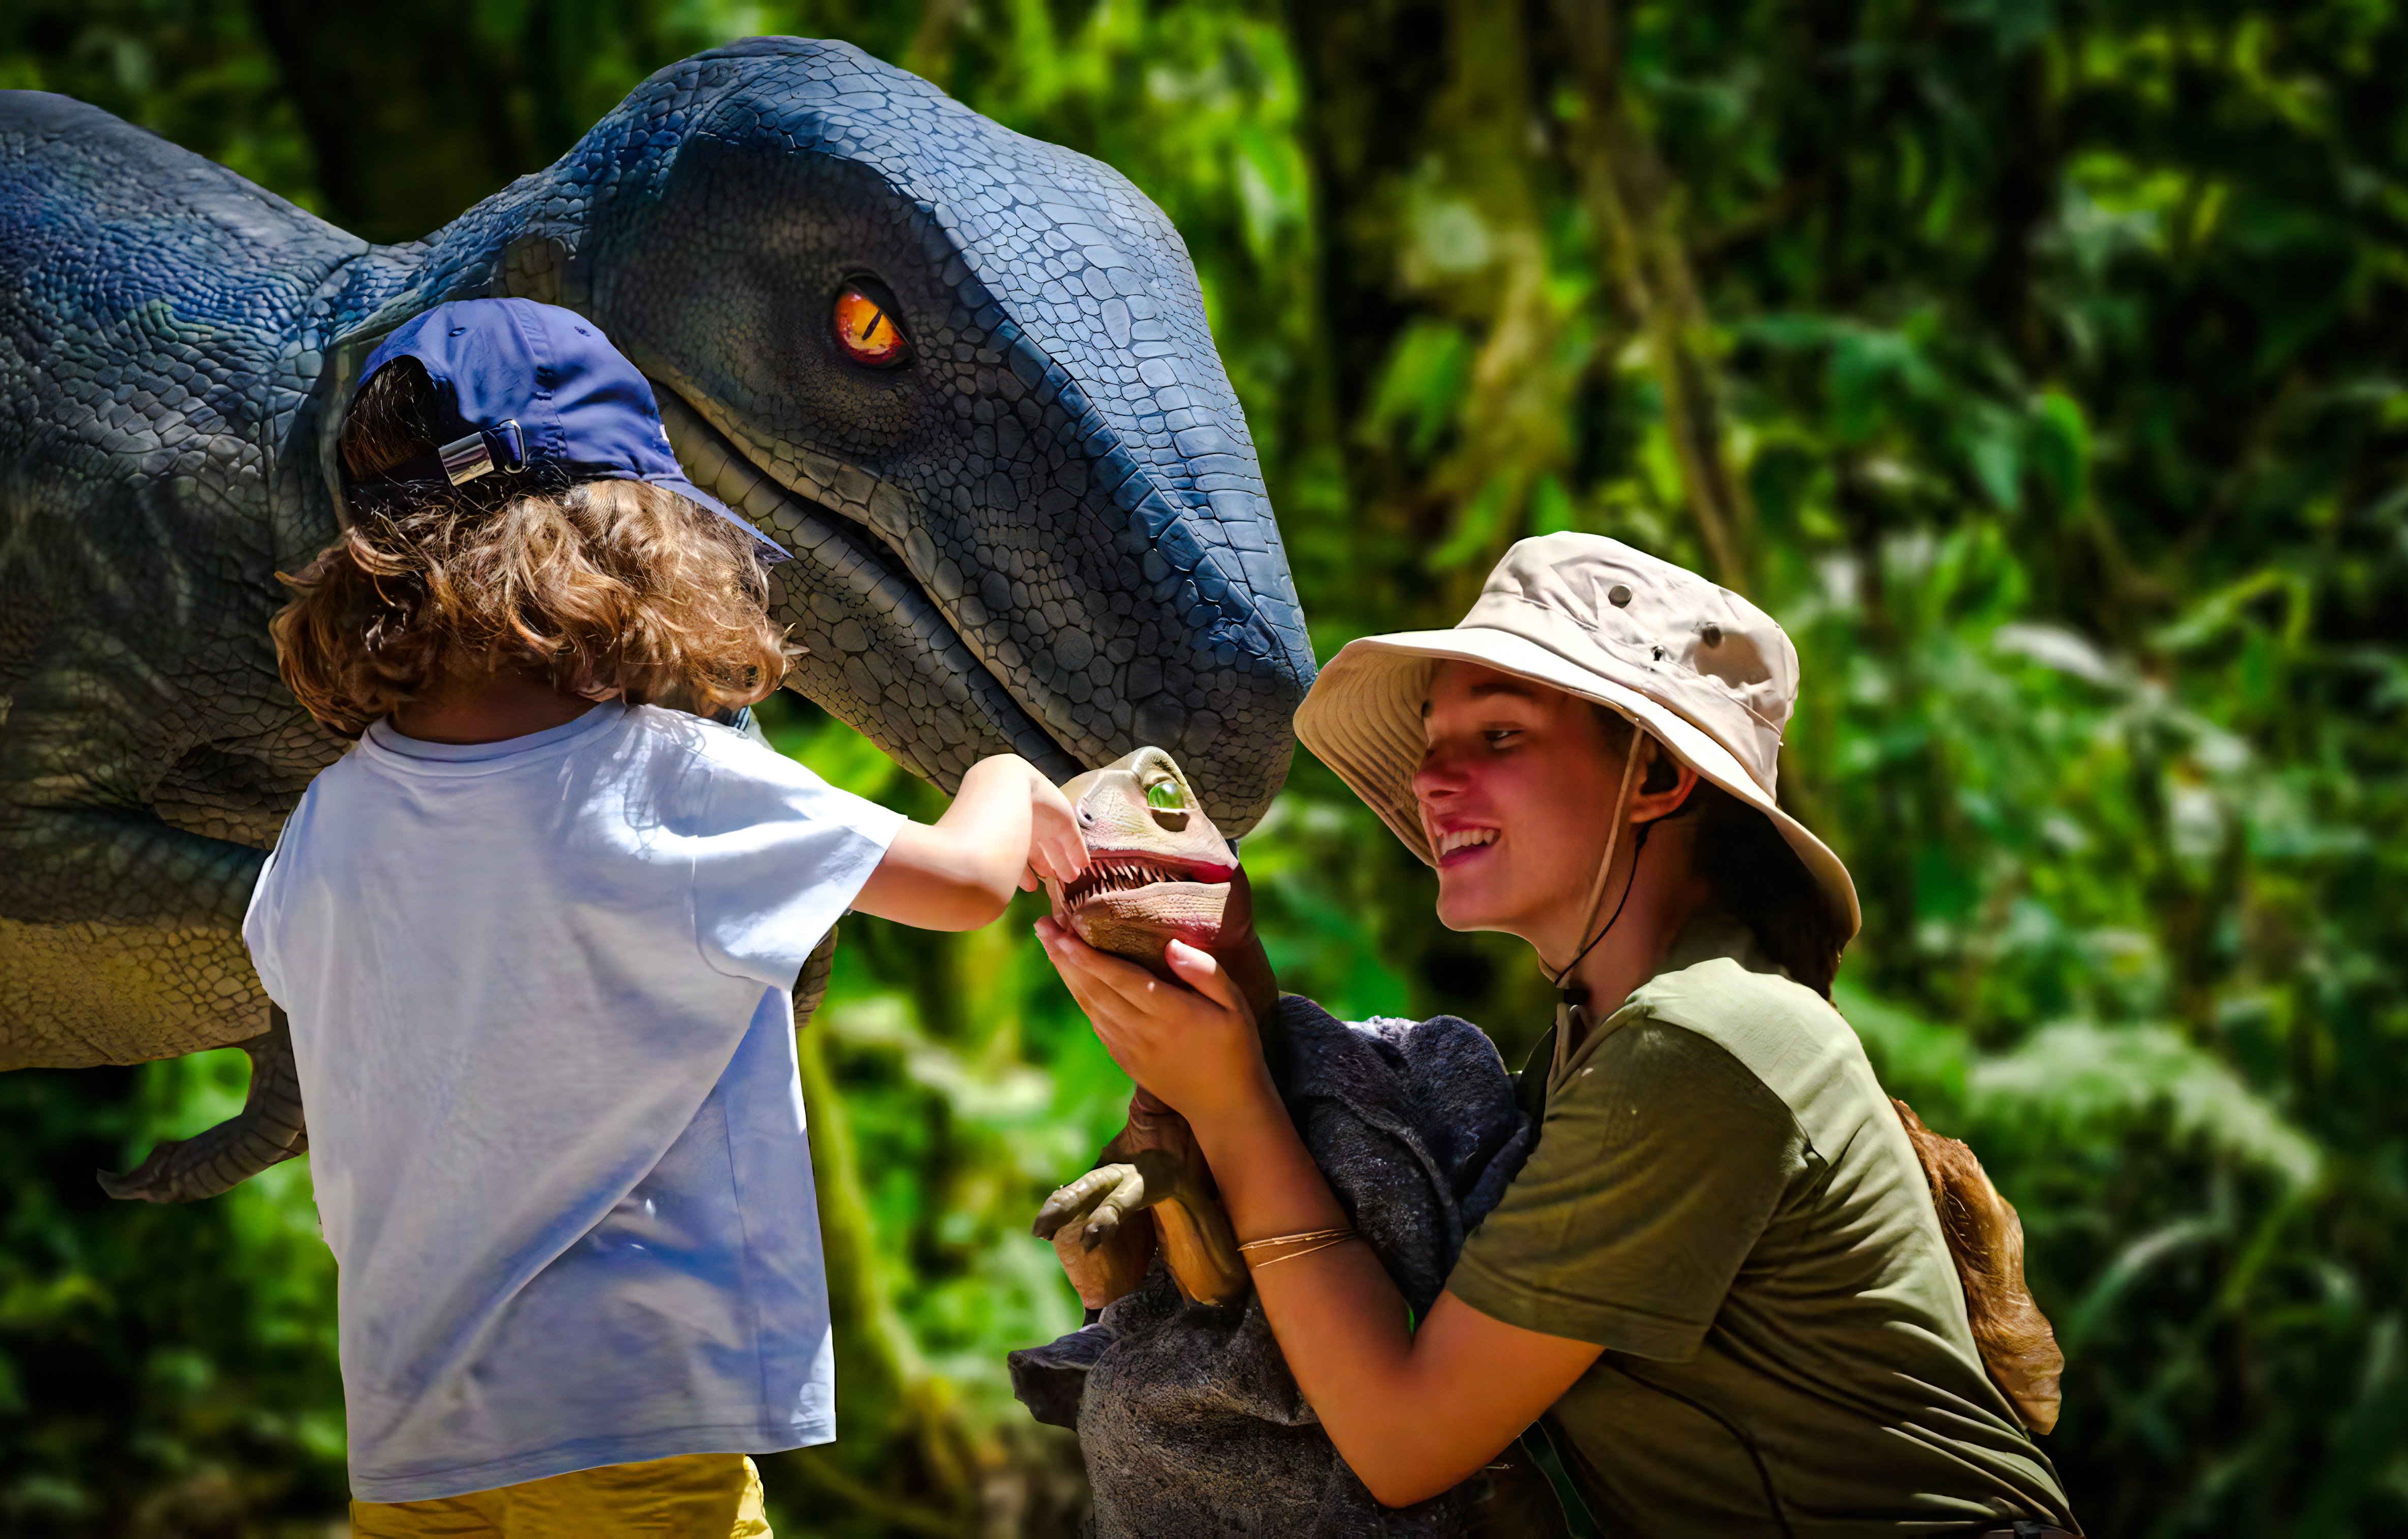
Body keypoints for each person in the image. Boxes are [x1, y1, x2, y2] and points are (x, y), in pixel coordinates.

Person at [1038, 534, 2079, 1536]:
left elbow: (1402, 1439)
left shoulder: (1701, 1040)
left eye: (1497, 737)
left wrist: (1233, 1102)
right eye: (1432, 746)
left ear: (1658, 776)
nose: (1431, 781)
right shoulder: (1587, 1056)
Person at [248, 299, 1086, 1536]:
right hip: (632, 1408)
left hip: (412, 1429)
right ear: (628, 543)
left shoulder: (329, 820)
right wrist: (1011, 778)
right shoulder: (659, 776)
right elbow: (964, 882)